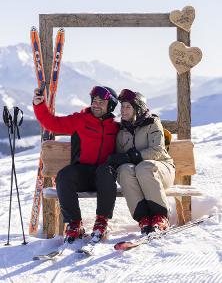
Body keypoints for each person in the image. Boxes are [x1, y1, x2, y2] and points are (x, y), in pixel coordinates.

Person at [33, 85, 119, 243]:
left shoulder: (115, 126)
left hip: (104, 178)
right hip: (83, 174)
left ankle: (102, 221)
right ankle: (74, 224)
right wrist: (39, 105)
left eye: (101, 102)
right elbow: (53, 123)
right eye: (95, 100)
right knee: (64, 176)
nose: (96, 104)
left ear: (110, 106)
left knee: (105, 171)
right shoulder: (80, 120)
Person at [107, 89, 175, 235]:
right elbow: (121, 158)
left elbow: (157, 151)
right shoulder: (122, 130)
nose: (123, 111)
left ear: (137, 109)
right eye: (122, 107)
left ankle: (160, 216)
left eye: (128, 107)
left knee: (144, 167)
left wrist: (132, 156)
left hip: (161, 170)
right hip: (137, 175)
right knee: (124, 170)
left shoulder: (152, 122)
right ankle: (143, 218)